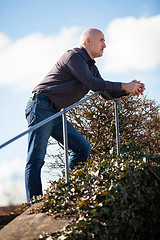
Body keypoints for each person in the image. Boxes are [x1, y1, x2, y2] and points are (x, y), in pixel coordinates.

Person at [25, 28, 145, 202]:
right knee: (36, 158)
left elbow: (103, 92)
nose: (105, 45)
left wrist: (129, 89)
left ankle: (68, 192)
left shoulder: (90, 66)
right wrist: (123, 85)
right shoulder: (74, 57)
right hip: (40, 106)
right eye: (101, 40)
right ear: (88, 41)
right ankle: (32, 204)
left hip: (55, 111)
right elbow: (92, 83)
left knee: (82, 148)